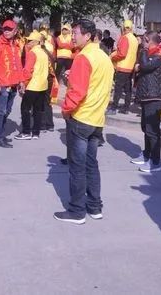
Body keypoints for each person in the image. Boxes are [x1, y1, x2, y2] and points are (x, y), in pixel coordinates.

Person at [54, 19, 114, 224]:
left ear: (87, 36)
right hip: (97, 119)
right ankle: (95, 207)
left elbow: (77, 92)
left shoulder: (83, 57)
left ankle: (77, 210)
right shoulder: (103, 57)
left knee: (77, 167)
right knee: (91, 164)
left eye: (76, 33)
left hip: (81, 118)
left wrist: (66, 110)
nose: (72, 36)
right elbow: (99, 85)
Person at [130, 31, 161, 173]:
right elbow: (141, 67)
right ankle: (146, 155)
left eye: (143, 41)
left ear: (147, 40)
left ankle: (155, 161)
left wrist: (143, 51)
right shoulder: (151, 54)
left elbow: (145, 66)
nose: (142, 43)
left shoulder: (159, 54)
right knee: (146, 128)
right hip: (147, 95)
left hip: (155, 97)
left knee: (153, 131)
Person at [0, 19, 24, 148]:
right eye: (5, 29)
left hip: (13, 84)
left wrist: (21, 81)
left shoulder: (15, 45)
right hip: (2, 84)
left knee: (7, 111)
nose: (7, 31)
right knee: (1, 111)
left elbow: (18, 65)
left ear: (15, 31)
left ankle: (1, 134)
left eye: (10, 29)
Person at [16, 31, 50, 140]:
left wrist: (23, 83)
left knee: (25, 109)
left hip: (32, 85)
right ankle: (36, 132)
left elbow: (28, 70)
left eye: (30, 41)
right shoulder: (44, 52)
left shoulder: (32, 53)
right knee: (37, 110)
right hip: (42, 85)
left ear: (36, 42)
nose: (28, 42)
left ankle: (26, 132)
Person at [108, 19, 139, 114]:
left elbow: (122, 54)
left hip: (122, 66)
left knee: (118, 88)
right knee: (128, 89)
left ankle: (113, 108)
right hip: (130, 67)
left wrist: (113, 58)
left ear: (123, 28)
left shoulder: (125, 38)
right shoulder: (134, 39)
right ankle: (126, 108)